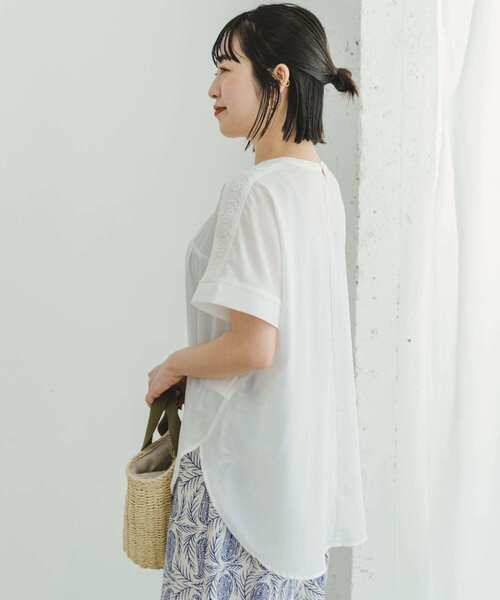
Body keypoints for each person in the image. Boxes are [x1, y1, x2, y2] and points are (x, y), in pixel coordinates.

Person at [145, 3, 368, 598]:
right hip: (295, 485)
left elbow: (253, 346)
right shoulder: (321, 187)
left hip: (234, 479)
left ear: (279, 77)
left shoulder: (256, 191)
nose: (212, 88)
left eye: (227, 69)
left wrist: (174, 365)